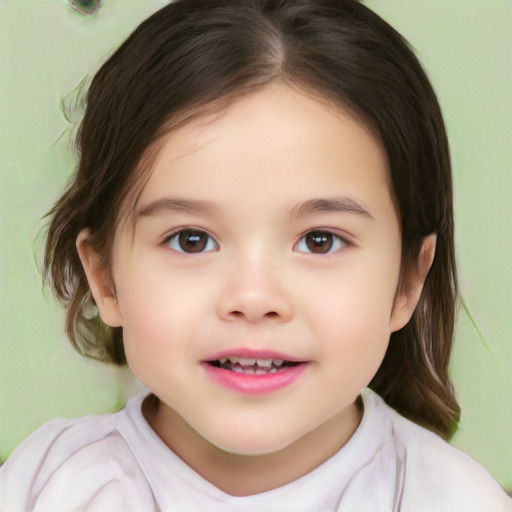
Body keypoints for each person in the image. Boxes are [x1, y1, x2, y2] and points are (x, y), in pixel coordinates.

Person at [1, 0, 510, 510]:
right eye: (191, 240)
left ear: (406, 282)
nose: (253, 297)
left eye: (320, 240)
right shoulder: (45, 487)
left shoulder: (453, 498)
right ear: (105, 278)